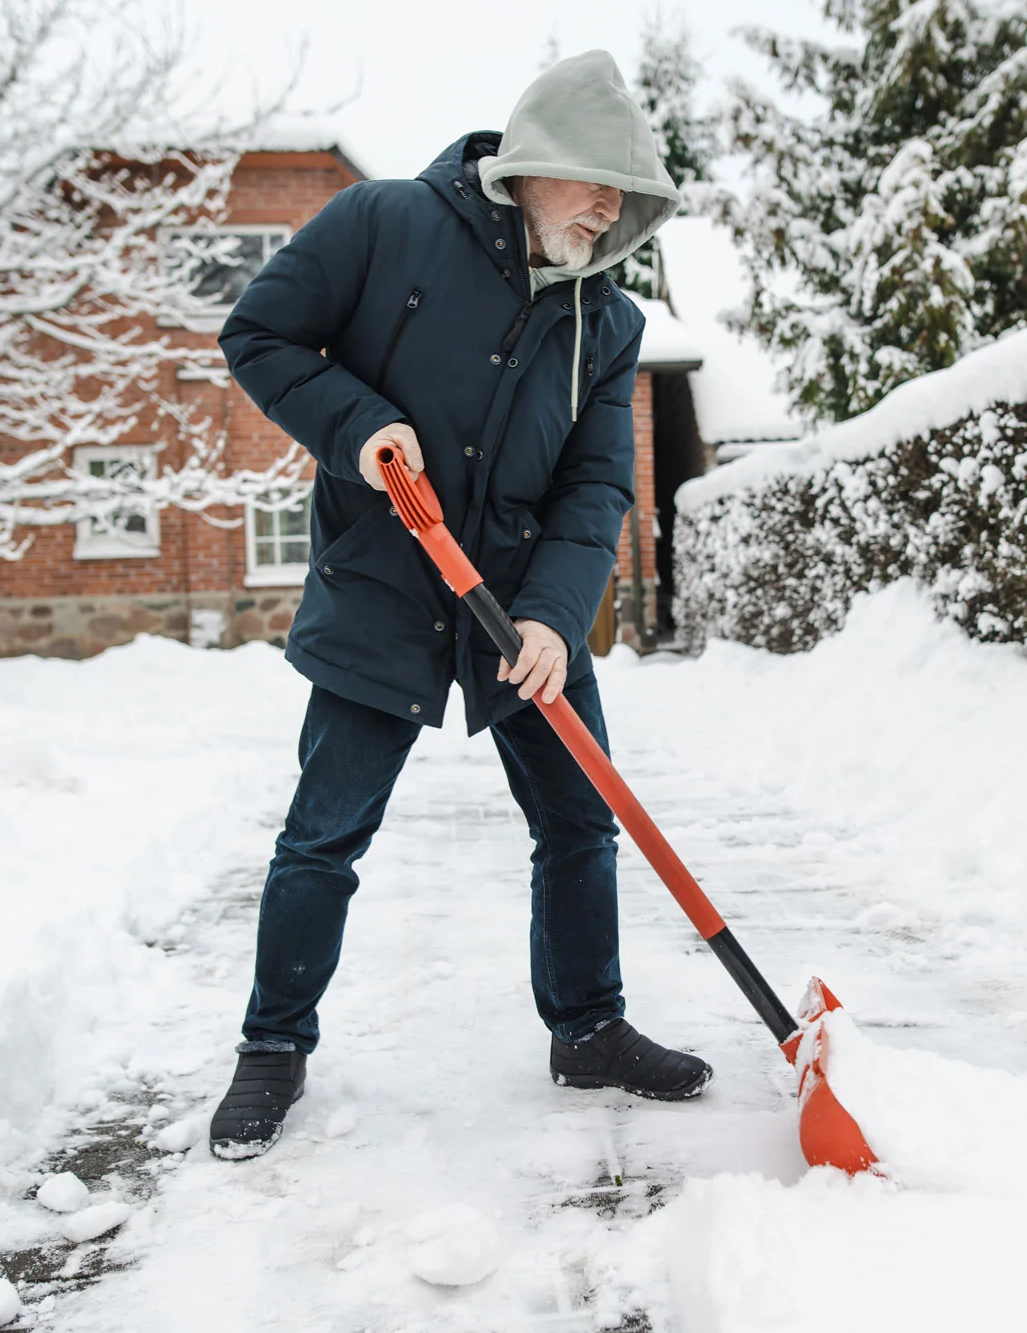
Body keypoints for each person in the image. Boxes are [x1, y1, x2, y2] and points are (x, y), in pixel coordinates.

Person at [206, 51, 712, 1161]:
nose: (608, 209)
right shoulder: (382, 222)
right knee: (325, 831)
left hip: (524, 597)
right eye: (595, 182)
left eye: (625, 196)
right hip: (388, 574)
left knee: (578, 824)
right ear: (537, 163)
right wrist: (356, 426)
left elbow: (594, 485)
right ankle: (272, 1047)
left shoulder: (606, 319)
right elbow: (261, 335)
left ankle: (587, 1027)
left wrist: (555, 614)